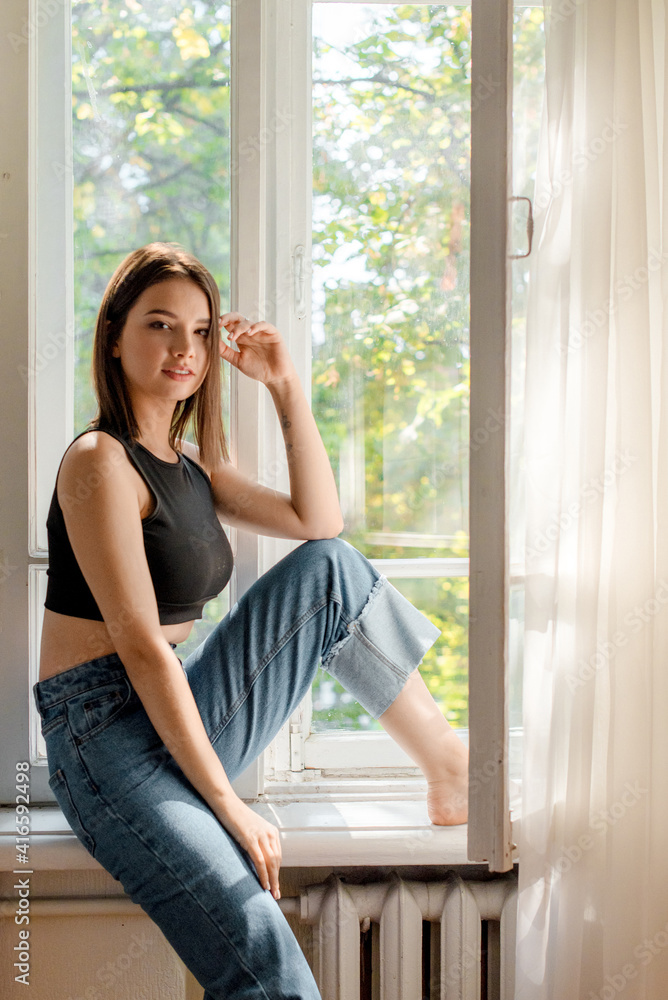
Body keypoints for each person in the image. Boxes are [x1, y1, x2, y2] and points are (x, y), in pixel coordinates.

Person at [33, 242, 469, 999]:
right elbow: (139, 647)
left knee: (329, 568)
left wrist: (286, 387)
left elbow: (319, 521)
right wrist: (230, 804)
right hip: (102, 737)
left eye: (201, 331)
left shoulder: (189, 463)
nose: (185, 349)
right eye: (161, 325)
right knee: (268, 972)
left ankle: (449, 765)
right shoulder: (98, 461)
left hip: (173, 710)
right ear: (113, 334)